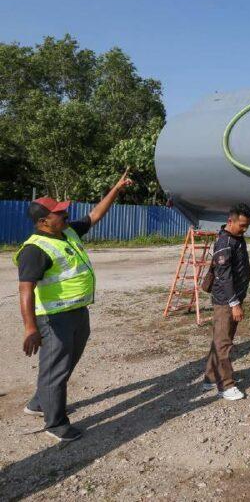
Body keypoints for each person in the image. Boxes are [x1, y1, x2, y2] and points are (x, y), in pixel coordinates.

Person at [14, 171, 134, 442]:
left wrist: (115, 189)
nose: (66, 216)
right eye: (59, 213)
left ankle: (38, 402)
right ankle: (55, 424)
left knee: (64, 363)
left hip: (78, 312)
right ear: (44, 221)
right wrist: (30, 326)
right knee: (56, 368)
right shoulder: (35, 249)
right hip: (54, 319)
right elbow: (25, 290)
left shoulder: (66, 232)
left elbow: (94, 216)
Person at [203, 179, 250, 400]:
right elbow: (224, 278)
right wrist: (234, 304)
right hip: (225, 301)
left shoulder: (238, 230)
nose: (245, 229)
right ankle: (226, 386)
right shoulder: (224, 244)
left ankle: (210, 378)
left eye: (247, 225)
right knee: (224, 344)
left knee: (220, 340)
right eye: (242, 226)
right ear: (230, 222)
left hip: (233, 299)